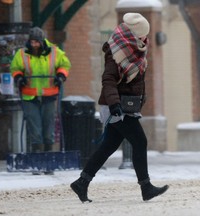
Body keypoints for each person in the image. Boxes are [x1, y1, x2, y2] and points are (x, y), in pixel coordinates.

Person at [70, 13, 169, 202]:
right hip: (117, 107)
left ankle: (81, 182)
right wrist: (115, 104)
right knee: (140, 142)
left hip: (126, 106)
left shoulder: (135, 49)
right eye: (142, 35)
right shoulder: (116, 51)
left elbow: (135, 79)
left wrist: (140, 98)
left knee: (108, 146)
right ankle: (146, 187)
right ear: (134, 35)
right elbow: (108, 80)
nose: (144, 39)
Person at [10, 26, 71, 173]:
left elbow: (65, 64)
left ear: (42, 41)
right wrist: (19, 77)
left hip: (49, 95)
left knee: (48, 128)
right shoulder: (22, 54)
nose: (34, 45)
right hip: (30, 96)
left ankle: (48, 161)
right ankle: (37, 161)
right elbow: (15, 68)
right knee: (35, 129)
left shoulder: (55, 52)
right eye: (32, 42)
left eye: (36, 42)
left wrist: (61, 76)